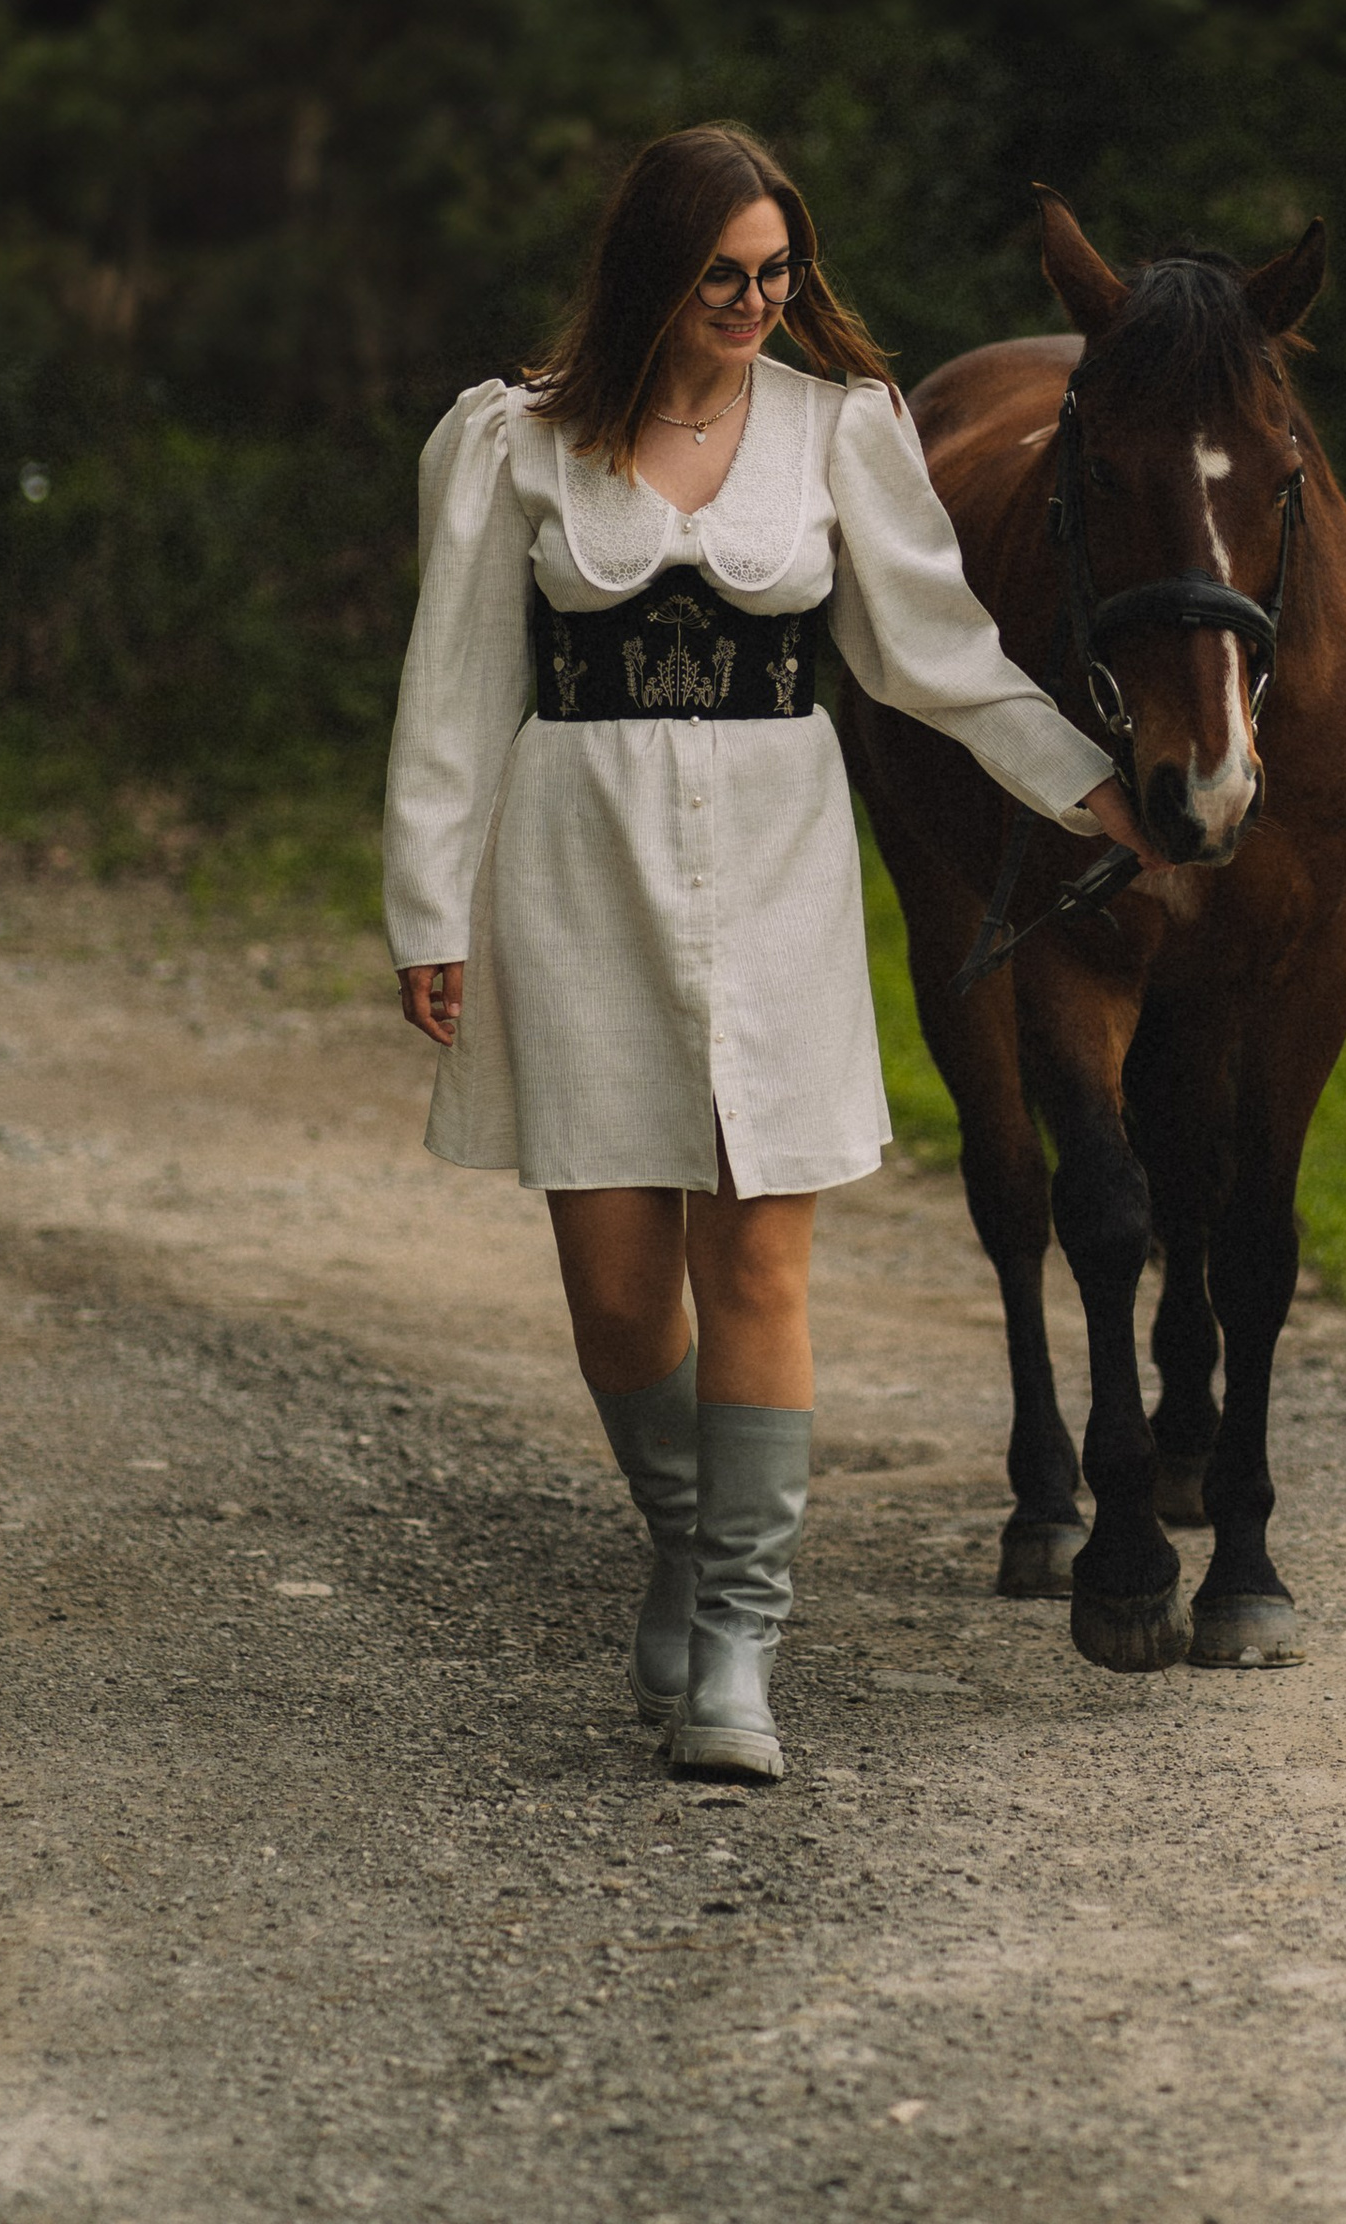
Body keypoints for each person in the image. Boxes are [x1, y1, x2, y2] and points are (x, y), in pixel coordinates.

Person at [382, 123, 1151, 1783]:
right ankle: (683, 1533)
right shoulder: (511, 444)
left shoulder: (839, 432)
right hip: (575, 874)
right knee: (609, 1294)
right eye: (724, 275)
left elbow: (937, 656)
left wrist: (1089, 788)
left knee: (759, 1267)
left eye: (775, 274)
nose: (754, 303)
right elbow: (451, 691)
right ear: (655, 274)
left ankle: (738, 1640)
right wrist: (426, 906)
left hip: (778, 877)